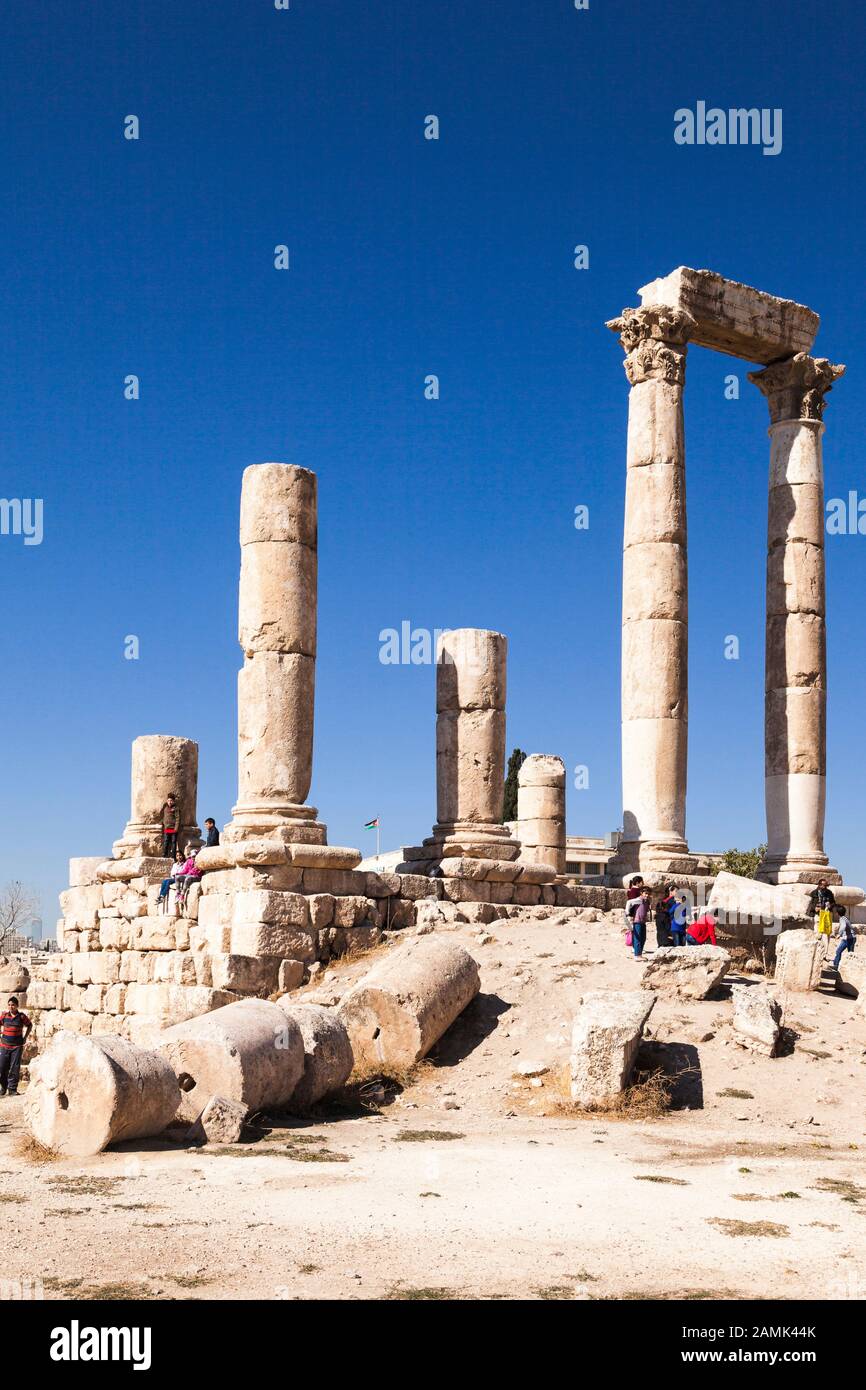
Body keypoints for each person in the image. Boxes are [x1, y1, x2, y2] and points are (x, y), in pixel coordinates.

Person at [0, 998, 32, 1096]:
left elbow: (29, 1025)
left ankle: (12, 1090)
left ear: (17, 1006)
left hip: (17, 1047)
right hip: (4, 1046)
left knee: (14, 1068)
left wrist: (25, 1037)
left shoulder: (21, 1016)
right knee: (2, 1068)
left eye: (13, 1005)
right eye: (9, 1004)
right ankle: (3, 1088)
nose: (11, 1006)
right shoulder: (4, 1016)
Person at [809, 879, 836, 957]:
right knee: (818, 933)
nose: (825, 887)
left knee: (826, 933)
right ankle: (817, 951)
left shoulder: (829, 893)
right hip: (817, 915)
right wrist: (814, 908)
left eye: (826, 886)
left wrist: (830, 905)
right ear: (819, 885)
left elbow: (833, 902)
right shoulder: (814, 893)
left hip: (826, 914)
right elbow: (809, 904)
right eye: (824, 885)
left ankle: (825, 953)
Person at [628, 887, 651, 959]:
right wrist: (627, 912)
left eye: (648, 894)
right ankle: (637, 955)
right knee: (637, 938)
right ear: (641, 893)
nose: (647, 895)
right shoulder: (639, 900)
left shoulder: (647, 901)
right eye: (645, 893)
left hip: (643, 921)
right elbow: (629, 902)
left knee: (643, 938)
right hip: (637, 921)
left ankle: (639, 954)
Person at [833, 907, 856, 972]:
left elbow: (843, 926)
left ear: (837, 913)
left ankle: (836, 966)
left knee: (849, 954)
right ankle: (835, 965)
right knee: (844, 953)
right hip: (850, 938)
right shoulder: (845, 918)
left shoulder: (842, 919)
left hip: (849, 939)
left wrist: (839, 934)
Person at [655, 885, 676, 949]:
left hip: (660, 938)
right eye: (676, 891)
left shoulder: (657, 916)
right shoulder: (672, 901)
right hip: (667, 939)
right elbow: (668, 927)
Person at [160, 793, 181, 858]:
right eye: (168, 800)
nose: (170, 802)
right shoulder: (165, 808)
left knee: (173, 842)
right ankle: (164, 854)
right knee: (166, 841)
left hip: (173, 828)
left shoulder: (176, 808)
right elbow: (164, 817)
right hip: (167, 828)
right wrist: (161, 823)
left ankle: (173, 856)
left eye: (171, 801)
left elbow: (178, 818)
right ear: (167, 801)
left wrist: (176, 828)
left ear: (173, 801)